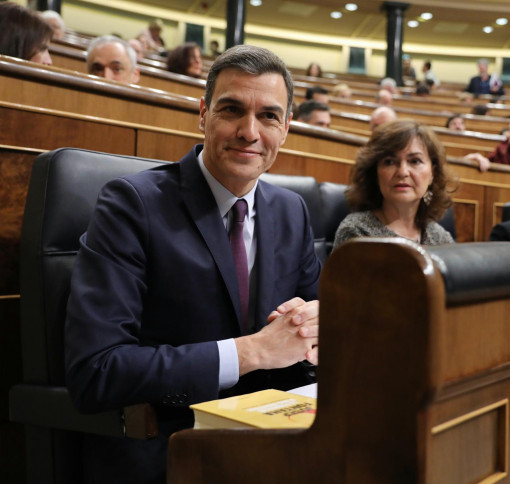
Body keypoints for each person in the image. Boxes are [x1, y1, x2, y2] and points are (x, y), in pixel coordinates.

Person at [65, 44, 321, 484]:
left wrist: (319, 332)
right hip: (167, 448)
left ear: (286, 128)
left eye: (268, 117)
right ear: (203, 114)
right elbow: (97, 370)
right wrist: (252, 352)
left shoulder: (292, 210)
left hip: (274, 442)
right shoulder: (132, 204)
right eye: (231, 109)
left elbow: (309, 340)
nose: (249, 131)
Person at [334, 119, 454, 247]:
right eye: (389, 162)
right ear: (375, 173)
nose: (402, 172)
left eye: (415, 161)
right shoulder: (357, 232)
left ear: (432, 174)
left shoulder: (440, 238)